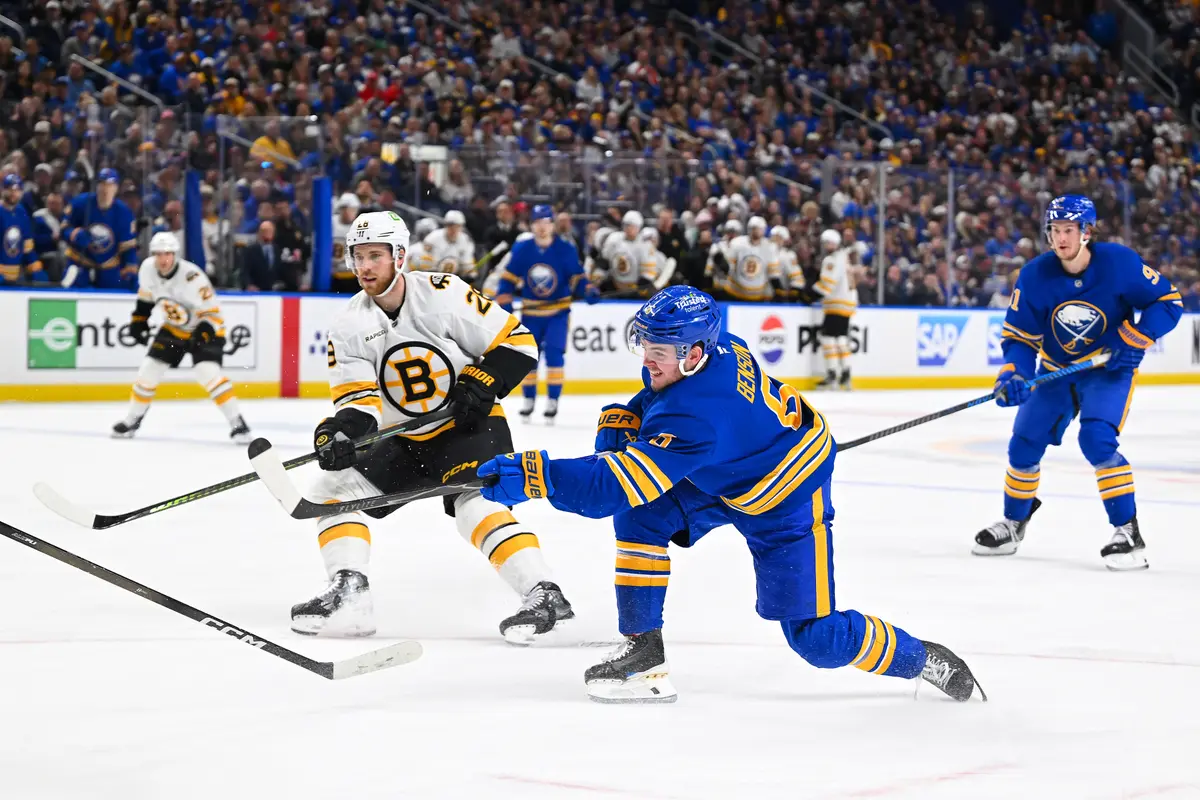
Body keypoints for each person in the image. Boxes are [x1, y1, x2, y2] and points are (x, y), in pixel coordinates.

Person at [476, 286, 985, 704]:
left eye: (658, 353)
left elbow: (610, 486)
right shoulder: (719, 347)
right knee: (641, 517)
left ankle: (924, 656)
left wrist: (536, 476)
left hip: (785, 496)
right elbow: (657, 399)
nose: (647, 362)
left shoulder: (696, 413)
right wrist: (631, 413)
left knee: (817, 638)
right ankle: (643, 655)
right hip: (729, 469)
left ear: (694, 354)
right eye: (645, 348)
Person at [292, 210, 574, 643]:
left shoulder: (442, 293)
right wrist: (341, 433)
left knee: (474, 505)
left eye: (375, 256)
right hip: (406, 437)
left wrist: (485, 378)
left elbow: (517, 342)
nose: (364, 267)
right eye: (357, 257)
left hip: (468, 428)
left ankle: (543, 593)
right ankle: (350, 594)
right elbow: (360, 403)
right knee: (332, 491)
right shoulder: (348, 324)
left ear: (399, 255)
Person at [974, 195, 1184, 570]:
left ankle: (1127, 531)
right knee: (1023, 443)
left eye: (1069, 230)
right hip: (1056, 369)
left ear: (1087, 232)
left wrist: (1135, 338)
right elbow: (1020, 337)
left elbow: (1168, 301)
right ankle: (1013, 521)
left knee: (1097, 438)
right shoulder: (1036, 275)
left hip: (1108, 369)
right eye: (1055, 230)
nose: (1061, 239)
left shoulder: (1119, 264)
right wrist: (1015, 374)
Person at [113, 232, 251, 442]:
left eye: (167, 254)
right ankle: (132, 419)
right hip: (174, 327)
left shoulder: (192, 277)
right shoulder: (148, 269)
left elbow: (213, 314)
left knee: (207, 372)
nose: (163, 259)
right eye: (158, 254)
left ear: (175, 254)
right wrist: (139, 320)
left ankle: (238, 423)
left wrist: (201, 335)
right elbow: (147, 296)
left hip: (207, 327)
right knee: (149, 370)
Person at [494, 204, 598, 422]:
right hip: (531, 313)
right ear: (532, 225)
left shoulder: (565, 249)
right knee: (529, 356)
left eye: (546, 222)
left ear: (552, 225)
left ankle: (552, 399)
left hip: (557, 313)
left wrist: (587, 289)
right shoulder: (523, 249)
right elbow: (509, 277)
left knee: (554, 353)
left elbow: (577, 277)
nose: (542, 227)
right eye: (538, 223)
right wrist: (504, 297)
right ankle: (529, 399)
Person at [62, 168, 138, 290]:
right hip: (80, 263)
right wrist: (74, 234)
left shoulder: (124, 213)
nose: (105, 189)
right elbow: (63, 229)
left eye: (110, 185)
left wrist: (131, 269)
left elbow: (128, 248)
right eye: (102, 184)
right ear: (97, 186)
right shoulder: (80, 203)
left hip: (109, 268)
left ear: (116, 188)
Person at [813, 229, 858, 390]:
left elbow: (827, 285)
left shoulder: (831, 260)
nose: (825, 246)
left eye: (827, 242)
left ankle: (832, 374)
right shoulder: (844, 258)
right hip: (848, 303)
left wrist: (809, 293)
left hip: (835, 303)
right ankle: (845, 373)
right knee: (840, 339)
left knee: (827, 338)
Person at [594, 210, 656, 296]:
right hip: (614, 285)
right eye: (626, 225)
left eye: (632, 226)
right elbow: (604, 262)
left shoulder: (645, 245)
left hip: (635, 288)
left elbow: (648, 273)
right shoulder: (614, 239)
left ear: (639, 227)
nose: (628, 228)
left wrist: (638, 288)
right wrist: (597, 278)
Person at [0, 174, 46, 283]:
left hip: (16, 277)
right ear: (2, 190)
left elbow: (27, 247)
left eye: (17, 190)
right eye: (10, 189)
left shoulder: (22, 212)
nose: (13, 193)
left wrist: (36, 269)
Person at [415, 209, 476, 280]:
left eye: (457, 226)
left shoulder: (466, 240)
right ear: (445, 225)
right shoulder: (433, 238)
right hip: (433, 275)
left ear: (461, 227)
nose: (454, 229)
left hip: (456, 277)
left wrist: (469, 273)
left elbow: (467, 263)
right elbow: (424, 261)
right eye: (451, 226)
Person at [330, 193, 362, 293]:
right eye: (347, 209)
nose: (351, 212)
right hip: (333, 275)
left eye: (354, 209)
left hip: (353, 276)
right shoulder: (330, 224)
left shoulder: (360, 226)